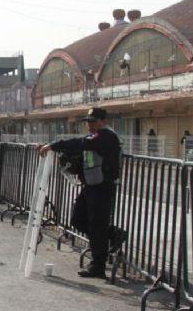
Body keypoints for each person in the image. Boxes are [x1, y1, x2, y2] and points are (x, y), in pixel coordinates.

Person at [36, 107, 121, 279]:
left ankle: (98, 266)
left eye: (93, 121)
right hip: (91, 186)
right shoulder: (96, 137)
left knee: (97, 226)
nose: (90, 125)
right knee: (77, 219)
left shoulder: (107, 136)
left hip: (102, 187)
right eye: (88, 122)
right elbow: (78, 147)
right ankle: (112, 235)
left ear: (103, 121)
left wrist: (53, 145)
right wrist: (52, 147)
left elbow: (81, 143)